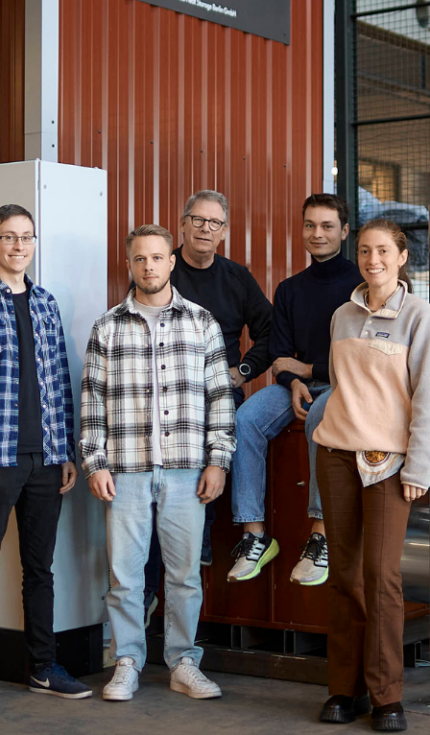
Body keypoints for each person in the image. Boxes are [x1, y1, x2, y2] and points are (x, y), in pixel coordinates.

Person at [0, 204, 91, 714]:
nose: (18, 246)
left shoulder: (48, 303)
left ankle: (43, 668)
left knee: (40, 570)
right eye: (8, 237)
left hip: (47, 459)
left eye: (26, 237)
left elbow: (60, 381)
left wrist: (68, 451)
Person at [81, 224, 235, 703]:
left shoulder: (202, 323)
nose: (149, 266)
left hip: (188, 468)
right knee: (124, 576)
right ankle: (126, 661)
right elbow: (91, 401)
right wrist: (94, 462)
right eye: (140, 259)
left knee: (184, 574)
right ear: (129, 265)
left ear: (173, 261)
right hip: (124, 470)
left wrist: (219, 460)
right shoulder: (107, 327)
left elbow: (219, 398)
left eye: (157, 257)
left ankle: (183, 663)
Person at [310, 219, 430, 732]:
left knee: (383, 578)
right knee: (343, 576)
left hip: (390, 464)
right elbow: (341, 387)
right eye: (365, 251)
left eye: (383, 251)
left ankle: (387, 694)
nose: (373, 260)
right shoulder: (342, 316)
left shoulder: (422, 318)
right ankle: (344, 690)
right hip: (338, 457)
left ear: (401, 257)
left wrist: (418, 465)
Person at [227, 193, 361, 586]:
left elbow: (359, 357)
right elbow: (280, 355)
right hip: (299, 386)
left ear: (344, 231)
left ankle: (319, 537)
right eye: (310, 225)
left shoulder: (359, 284)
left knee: (321, 417)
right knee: (246, 418)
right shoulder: (289, 289)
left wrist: (309, 369)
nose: (317, 234)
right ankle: (254, 536)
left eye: (327, 226)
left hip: (344, 386)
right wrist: (296, 380)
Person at [166, 188, 271, 573]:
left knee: (213, 443)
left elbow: (270, 331)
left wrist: (242, 371)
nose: (205, 229)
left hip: (219, 395)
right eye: (198, 220)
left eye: (214, 223)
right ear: (183, 224)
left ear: (224, 231)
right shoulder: (163, 269)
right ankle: (184, 563)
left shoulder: (237, 278)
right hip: (167, 395)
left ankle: (200, 552)